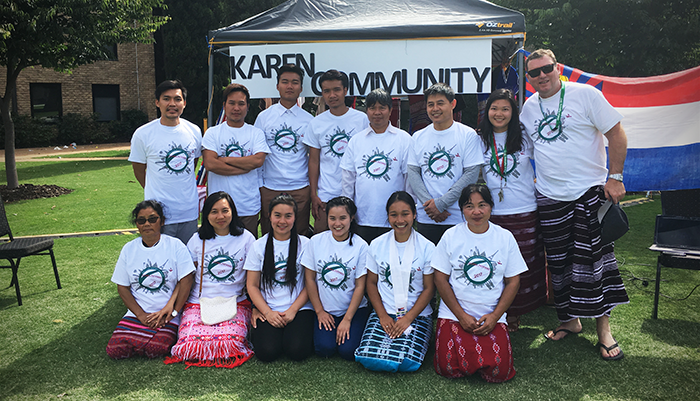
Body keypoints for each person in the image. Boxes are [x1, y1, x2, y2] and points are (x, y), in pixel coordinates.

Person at [520, 49, 629, 360]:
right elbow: (524, 150)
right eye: (534, 72)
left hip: (589, 193)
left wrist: (615, 177)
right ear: (529, 78)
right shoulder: (528, 108)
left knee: (595, 264)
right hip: (550, 197)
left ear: (558, 68)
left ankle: (604, 331)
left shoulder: (585, 95)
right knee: (558, 263)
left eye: (546, 69)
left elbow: (617, 133)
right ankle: (569, 321)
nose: (541, 76)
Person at [433, 184, 526, 382]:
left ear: (491, 207)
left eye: (482, 205)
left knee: (500, 372)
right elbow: (440, 278)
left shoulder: (504, 237)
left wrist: (495, 316)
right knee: (447, 367)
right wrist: (461, 315)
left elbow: (513, 281)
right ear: (462, 210)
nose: (476, 212)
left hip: (491, 313)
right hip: (454, 313)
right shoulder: (450, 236)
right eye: (469, 206)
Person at [478, 89, 547, 332]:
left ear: (513, 112)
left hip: (525, 209)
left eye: (505, 109)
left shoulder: (525, 137)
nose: (499, 113)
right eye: (494, 108)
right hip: (494, 214)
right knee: (497, 265)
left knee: (524, 265)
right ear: (487, 112)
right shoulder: (480, 139)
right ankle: (500, 311)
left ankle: (518, 313)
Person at [165, 192, 256, 368]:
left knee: (231, 345)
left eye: (225, 211)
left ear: (233, 212)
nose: (220, 216)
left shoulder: (247, 238)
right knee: (188, 347)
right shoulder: (197, 239)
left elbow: (254, 276)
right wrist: (173, 304)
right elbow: (186, 276)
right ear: (206, 215)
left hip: (235, 301)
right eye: (214, 211)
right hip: (199, 301)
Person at [354, 191, 435, 372]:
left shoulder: (428, 247)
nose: (400, 220)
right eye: (394, 214)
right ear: (388, 216)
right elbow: (371, 284)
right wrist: (382, 315)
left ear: (414, 214)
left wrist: (408, 318)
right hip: (385, 312)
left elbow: (429, 289)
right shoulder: (376, 244)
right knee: (367, 356)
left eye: (405, 214)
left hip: (417, 314)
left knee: (407, 361)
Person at [106, 200, 195, 359]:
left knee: (157, 348)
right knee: (115, 349)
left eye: (152, 219)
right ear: (137, 224)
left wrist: (173, 311)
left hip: (167, 314)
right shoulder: (129, 249)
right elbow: (122, 288)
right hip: (137, 314)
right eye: (141, 220)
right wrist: (140, 315)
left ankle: (148, 339)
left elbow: (186, 280)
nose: (147, 224)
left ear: (162, 221)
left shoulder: (176, 246)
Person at [407, 83, 483, 245]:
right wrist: (430, 207)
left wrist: (441, 204)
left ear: (452, 104)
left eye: (440, 103)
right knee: (429, 268)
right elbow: (413, 172)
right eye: (430, 104)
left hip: (457, 215)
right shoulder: (418, 137)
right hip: (426, 217)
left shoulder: (467, 134)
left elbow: (471, 174)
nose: (435, 108)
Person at [129, 80, 202, 244]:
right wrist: (154, 190)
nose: (172, 104)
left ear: (184, 103)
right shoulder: (143, 134)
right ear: (157, 102)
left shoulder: (194, 131)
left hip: (188, 212)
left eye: (177, 99)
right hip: (158, 214)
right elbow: (139, 169)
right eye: (166, 98)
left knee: (188, 262)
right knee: (161, 262)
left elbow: (193, 163)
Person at [244, 194, 314, 362]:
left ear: (295, 218)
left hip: (299, 308)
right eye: (277, 215)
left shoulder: (306, 244)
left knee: (297, 350)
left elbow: (310, 283)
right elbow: (252, 285)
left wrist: (292, 311)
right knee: (267, 352)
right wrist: (267, 312)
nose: (282, 221)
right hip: (269, 308)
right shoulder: (258, 246)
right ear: (269, 216)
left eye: (288, 216)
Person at [302, 196, 370, 360]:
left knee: (348, 351)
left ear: (351, 218)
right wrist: (319, 311)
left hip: (354, 310)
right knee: (325, 349)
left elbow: (360, 286)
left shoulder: (361, 246)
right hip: (325, 309)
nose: (337, 223)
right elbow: (310, 279)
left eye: (342, 218)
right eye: (332, 218)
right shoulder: (316, 242)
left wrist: (347, 319)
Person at [341, 88, 411, 243]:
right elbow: (348, 179)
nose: (377, 112)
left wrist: (407, 212)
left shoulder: (403, 139)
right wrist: (348, 211)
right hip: (363, 217)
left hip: (395, 218)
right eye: (372, 108)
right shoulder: (356, 141)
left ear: (390, 110)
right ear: (366, 111)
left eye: (382, 108)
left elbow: (409, 179)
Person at [305, 70, 369, 234]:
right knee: (322, 240)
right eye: (326, 91)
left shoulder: (362, 119)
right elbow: (314, 160)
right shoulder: (316, 123)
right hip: (327, 195)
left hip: (357, 195)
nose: (332, 95)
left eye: (336, 90)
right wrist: (314, 195)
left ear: (345, 91)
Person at [202, 84, 270, 237]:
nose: (236, 108)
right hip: (218, 208)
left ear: (247, 107)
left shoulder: (256, 133)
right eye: (232, 103)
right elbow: (211, 164)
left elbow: (258, 160)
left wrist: (224, 159)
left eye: (241, 103)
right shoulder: (213, 133)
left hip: (247, 205)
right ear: (224, 105)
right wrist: (244, 167)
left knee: (248, 253)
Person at [254, 64, 314, 237]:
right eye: (285, 82)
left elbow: (313, 157)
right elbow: (258, 154)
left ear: (301, 88)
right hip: (270, 187)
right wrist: (260, 186)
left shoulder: (309, 120)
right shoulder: (264, 118)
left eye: (294, 82)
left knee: (299, 234)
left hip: (300, 187)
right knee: (269, 235)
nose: (290, 86)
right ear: (277, 86)